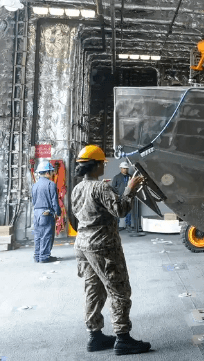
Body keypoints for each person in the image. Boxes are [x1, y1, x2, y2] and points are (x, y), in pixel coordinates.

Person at [71, 145, 151, 355]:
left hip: (83, 245)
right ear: (96, 165)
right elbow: (121, 210)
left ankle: (95, 336)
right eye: (102, 164)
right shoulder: (101, 188)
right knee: (119, 290)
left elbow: (82, 212)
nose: (104, 167)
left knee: (93, 290)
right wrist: (129, 189)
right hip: (103, 246)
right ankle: (123, 338)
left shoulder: (78, 188)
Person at [31, 161, 62, 263]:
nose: (53, 173)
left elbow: (33, 201)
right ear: (47, 172)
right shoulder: (51, 184)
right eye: (51, 171)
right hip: (46, 213)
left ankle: (37, 256)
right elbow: (54, 201)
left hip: (36, 213)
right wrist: (58, 212)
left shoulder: (34, 185)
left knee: (38, 235)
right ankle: (44, 257)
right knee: (47, 235)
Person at [111, 162, 132, 230]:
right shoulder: (116, 177)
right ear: (121, 168)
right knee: (117, 211)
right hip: (119, 198)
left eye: (126, 168)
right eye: (124, 168)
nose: (125, 170)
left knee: (128, 212)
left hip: (128, 198)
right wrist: (116, 196)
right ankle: (116, 226)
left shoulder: (130, 177)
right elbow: (113, 187)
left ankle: (128, 225)